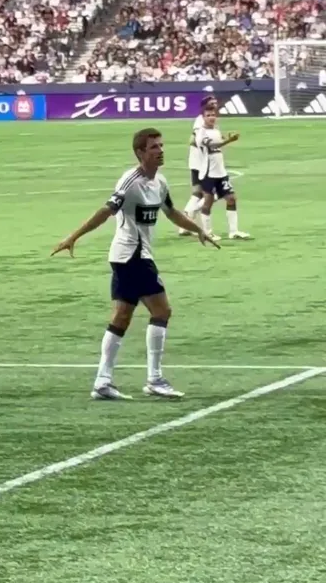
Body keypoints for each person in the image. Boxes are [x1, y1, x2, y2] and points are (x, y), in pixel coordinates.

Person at [52, 127, 220, 400]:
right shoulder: (130, 182)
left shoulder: (160, 182)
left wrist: (198, 229)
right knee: (162, 310)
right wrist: (73, 237)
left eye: (161, 146)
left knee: (121, 317)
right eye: (154, 147)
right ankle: (154, 379)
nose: (160, 151)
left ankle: (102, 381)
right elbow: (107, 210)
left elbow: (171, 211)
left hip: (127, 257)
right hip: (132, 256)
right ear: (140, 152)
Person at [196, 106, 250, 241]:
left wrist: (227, 138)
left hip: (221, 173)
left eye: (213, 115)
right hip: (208, 173)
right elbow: (213, 146)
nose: (211, 117)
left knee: (231, 199)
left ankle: (234, 231)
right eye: (208, 115)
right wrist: (229, 140)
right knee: (208, 202)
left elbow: (219, 142)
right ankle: (207, 233)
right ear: (203, 117)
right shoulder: (200, 133)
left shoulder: (216, 130)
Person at [179, 95, 218, 237]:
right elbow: (192, 140)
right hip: (200, 162)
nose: (215, 105)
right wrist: (207, 145)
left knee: (197, 193)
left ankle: (184, 225)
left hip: (201, 161)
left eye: (215, 103)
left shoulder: (209, 119)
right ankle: (188, 216)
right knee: (211, 194)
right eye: (212, 103)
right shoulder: (200, 120)